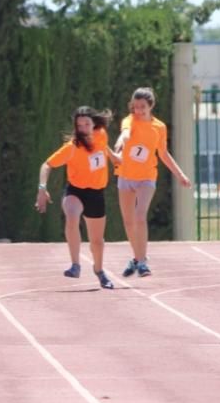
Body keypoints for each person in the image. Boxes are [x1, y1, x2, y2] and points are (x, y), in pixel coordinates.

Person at [35, 107, 120, 289]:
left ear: (94, 125)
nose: (82, 128)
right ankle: (75, 265)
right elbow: (46, 165)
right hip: (76, 191)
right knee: (72, 215)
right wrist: (42, 188)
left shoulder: (101, 135)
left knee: (97, 242)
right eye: (79, 125)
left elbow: (103, 148)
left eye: (86, 124)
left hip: (96, 194)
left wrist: (114, 158)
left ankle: (99, 270)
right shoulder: (72, 147)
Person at [113, 87, 191, 277]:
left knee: (140, 217)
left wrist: (180, 174)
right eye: (135, 106)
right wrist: (119, 145)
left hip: (147, 177)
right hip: (125, 176)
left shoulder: (159, 127)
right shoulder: (129, 120)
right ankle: (136, 257)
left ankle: (142, 262)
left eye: (142, 107)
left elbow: (163, 153)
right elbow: (125, 133)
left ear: (151, 106)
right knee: (128, 221)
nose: (138, 111)